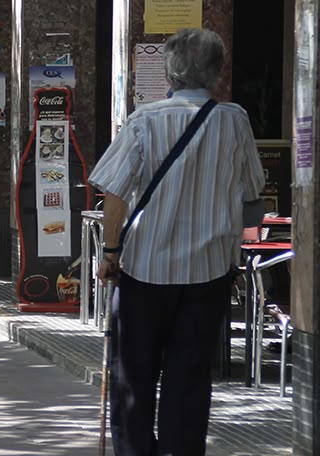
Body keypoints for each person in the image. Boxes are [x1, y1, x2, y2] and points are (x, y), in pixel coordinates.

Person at [89, 29, 265, 456]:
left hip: (146, 271)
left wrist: (110, 253)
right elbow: (252, 192)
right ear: (218, 73)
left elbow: (113, 192)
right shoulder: (235, 120)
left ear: (169, 71)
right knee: (189, 377)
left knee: (134, 375)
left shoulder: (145, 120)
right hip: (209, 273)